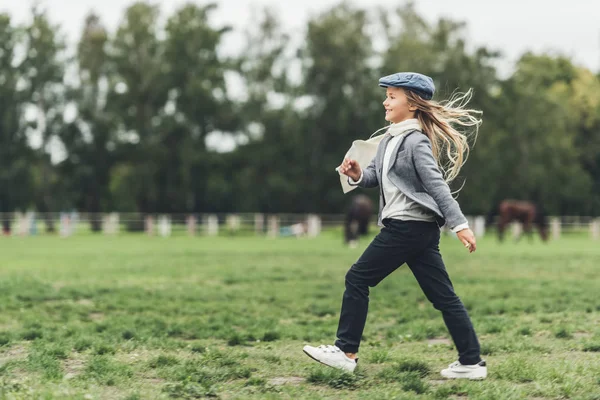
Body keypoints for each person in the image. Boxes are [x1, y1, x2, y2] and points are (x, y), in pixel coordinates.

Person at [303, 72, 487, 380]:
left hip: (407, 228)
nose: (384, 101)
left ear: (412, 104)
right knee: (444, 298)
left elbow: (437, 185)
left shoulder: (416, 142)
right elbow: (375, 176)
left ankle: (345, 352)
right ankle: (471, 362)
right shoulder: (389, 139)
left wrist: (460, 225)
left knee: (357, 278)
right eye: (386, 95)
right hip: (417, 232)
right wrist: (357, 173)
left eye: (392, 96)